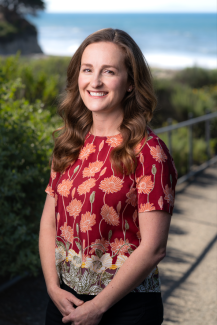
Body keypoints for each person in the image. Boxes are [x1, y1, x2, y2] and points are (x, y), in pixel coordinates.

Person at [39, 28, 177, 325]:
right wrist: (52, 287)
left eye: (109, 71)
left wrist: (98, 307)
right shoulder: (69, 143)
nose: (95, 81)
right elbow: (49, 222)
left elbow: (154, 248)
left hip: (125, 310)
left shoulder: (149, 152)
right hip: (64, 302)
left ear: (130, 83)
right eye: (88, 70)